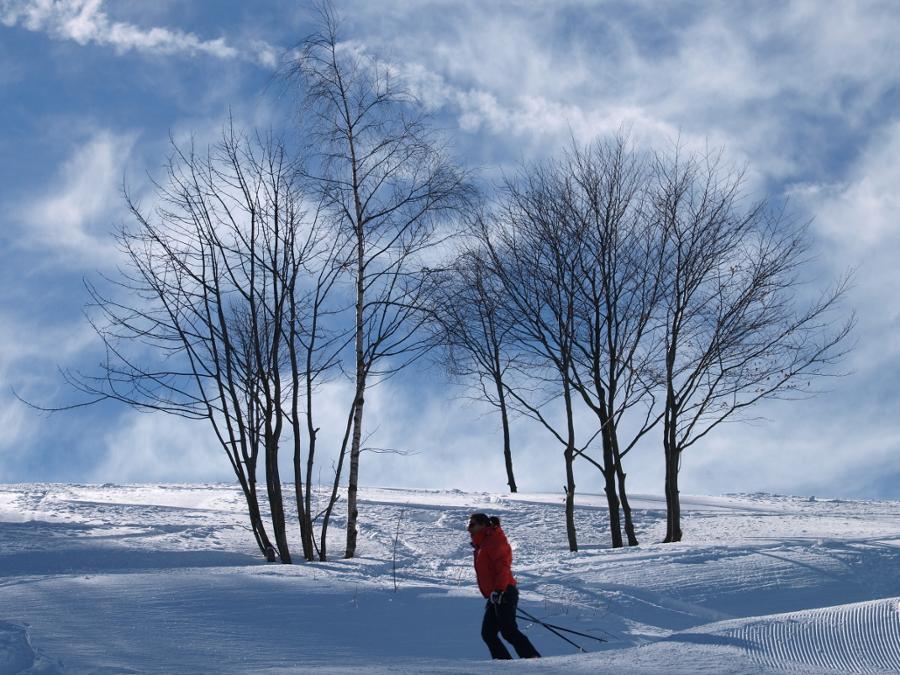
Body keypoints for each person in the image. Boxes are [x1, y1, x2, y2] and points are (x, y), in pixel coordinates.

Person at [467, 512, 541, 659]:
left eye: (472, 524)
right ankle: (505, 666)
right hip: (496, 595)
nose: (469, 529)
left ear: (483, 525)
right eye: (468, 525)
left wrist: (499, 590)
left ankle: (533, 660)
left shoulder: (494, 541)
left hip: (504, 592)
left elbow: (503, 568)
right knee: (488, 634)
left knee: (508, 631)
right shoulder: (483, 544)